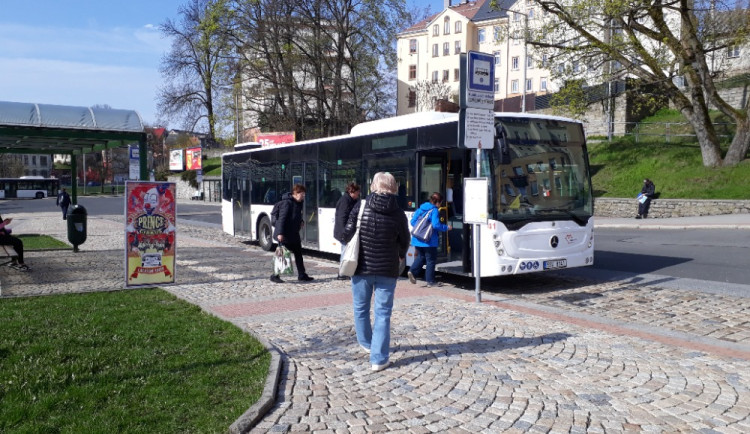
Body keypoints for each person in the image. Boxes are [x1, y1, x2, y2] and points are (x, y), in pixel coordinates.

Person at [341, 172, 410, 372]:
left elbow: (346, 233)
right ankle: (379, 359)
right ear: (393, 187)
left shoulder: (360, 207)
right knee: (383, 314)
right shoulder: (398, 213)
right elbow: (405, 241)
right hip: (387, 270)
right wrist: (399, 254)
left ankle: (366, 343)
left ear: (373, 186)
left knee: (360, 308)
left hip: (361, 267)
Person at [270, 184, 314, 283]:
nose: (303, 196)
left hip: (293, 233)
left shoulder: (298, 203)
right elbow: (282, 219)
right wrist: (280, 234)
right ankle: (275, 275)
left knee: (298, 254)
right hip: (285, 234)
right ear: (296, 193)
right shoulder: (287, 203)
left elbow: (295, 216)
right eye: (302, 194)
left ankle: (302, 274)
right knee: (282, 254)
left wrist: (300, 221)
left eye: (304, 195)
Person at [407, 192, 451, 287]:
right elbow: (435, 225)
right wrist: (446, 227)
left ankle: (412, 271)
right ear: (438, 202)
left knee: (421, 257)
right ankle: (430, 281)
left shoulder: (421, 208)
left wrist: (422, 230)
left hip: (417, 239)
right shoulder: (434, 210)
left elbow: (413, 221)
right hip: (429, 241)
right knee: (430, 260)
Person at [333, 182, 360, 280]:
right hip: (343, 232)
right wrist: (345, 233)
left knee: (346, 252)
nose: (358, 195)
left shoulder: (350, 200)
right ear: (351, 192)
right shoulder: (345, 201)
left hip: (345, 232)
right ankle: (341, 273)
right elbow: (342, 219)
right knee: (345, 252)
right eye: (357, 192)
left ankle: (344, 272)